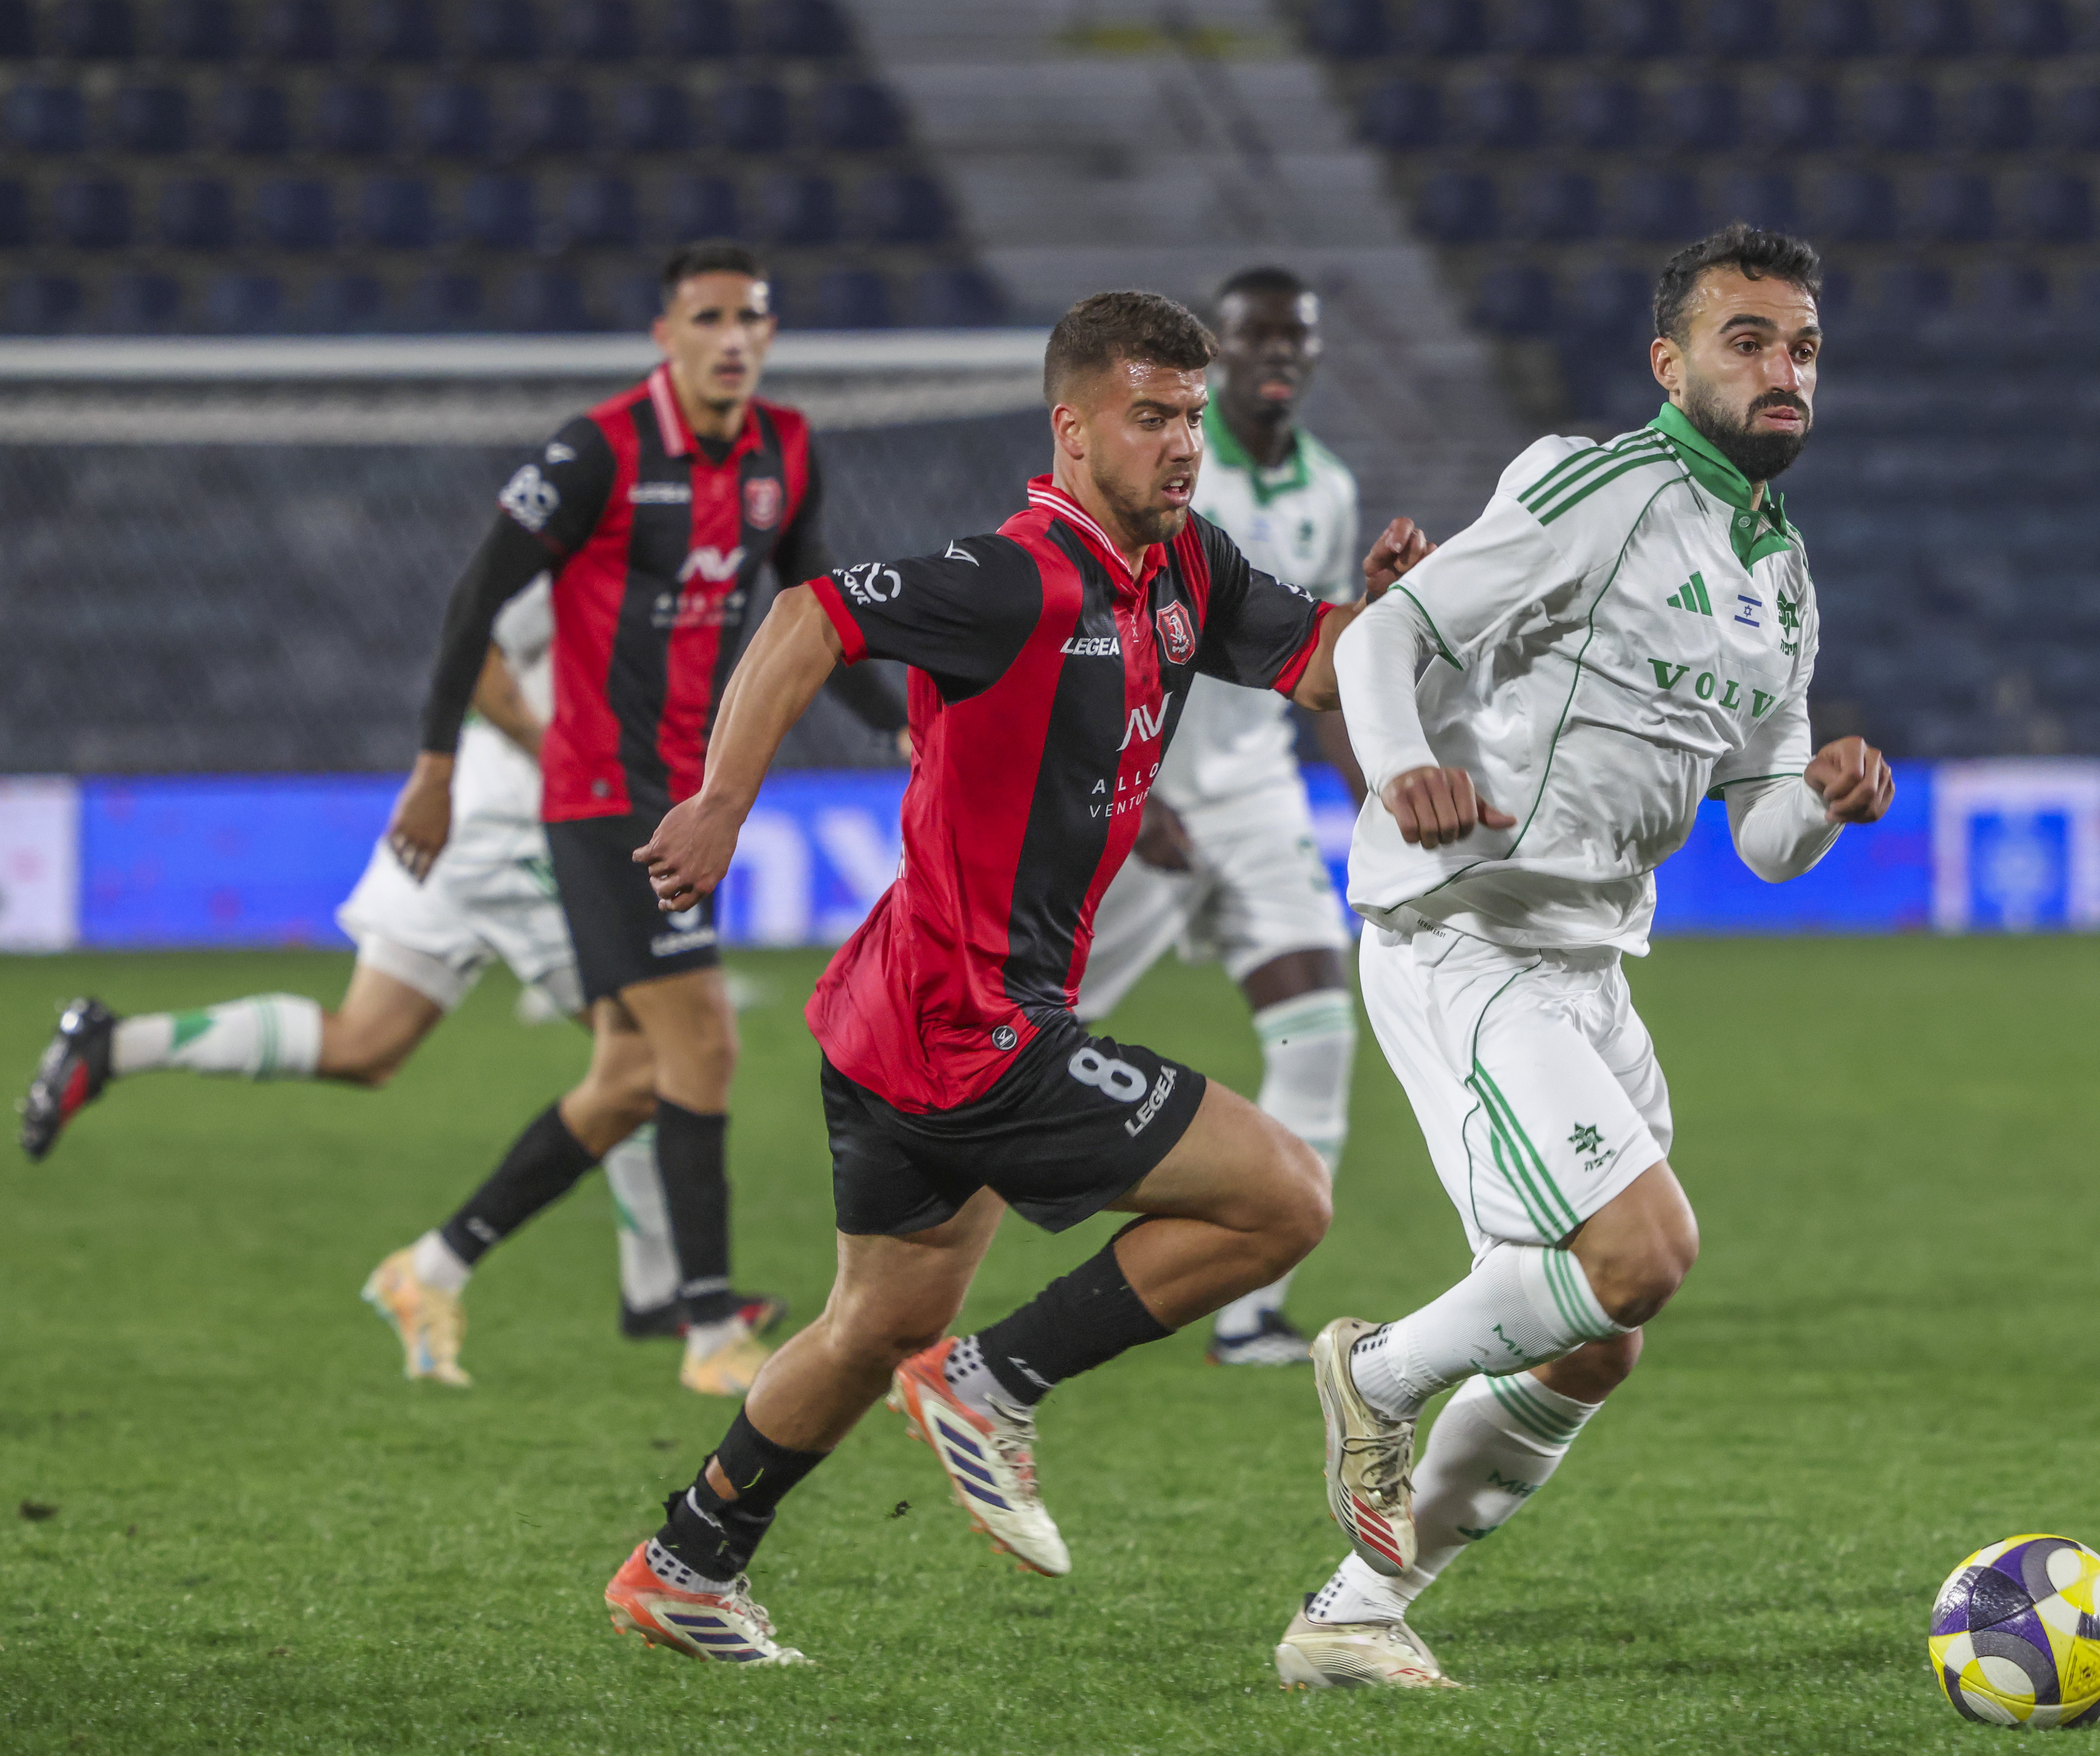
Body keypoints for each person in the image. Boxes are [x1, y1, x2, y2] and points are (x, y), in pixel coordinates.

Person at [598, 289, 1431, 1667]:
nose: (1179, 447)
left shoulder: (1185, 571)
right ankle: (993, 1382)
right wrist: (721, 803)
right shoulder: (1015, 578)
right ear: (1073, 427)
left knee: (872, 1320)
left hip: (890, 1015)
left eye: (1192, 420)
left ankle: (688, 1559)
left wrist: (1388, 621)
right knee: (1283, 1196)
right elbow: (808, 615)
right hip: (963, 1027)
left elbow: (1326, 661)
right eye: (1149, 419)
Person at [1275, 225, 1896, 1689]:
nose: (1782, 367)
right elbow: (1380, 644)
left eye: (1801, 344)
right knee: (1640, 1252)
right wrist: (1399, 770)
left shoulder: (1780, 573)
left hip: (1591, 961)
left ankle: (1355, 1611)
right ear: (1668, 361)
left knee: (1594, 1339)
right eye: (1746, 338)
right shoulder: (1594, 484)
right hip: (1465, 932)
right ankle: (1372, 1371)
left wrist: (1818, 802)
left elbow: (1757, 842)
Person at [15, 578, 787, 1382]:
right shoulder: (604, 533)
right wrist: (554, 745)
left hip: (474, 827)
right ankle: (603, 1288)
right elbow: (476, 641)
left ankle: (114, 1044)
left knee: (366, 1043)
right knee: (656, 1055)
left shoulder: (699, 532)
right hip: (524, 831)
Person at [380, 239, 902, 1398]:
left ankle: (431, 1265)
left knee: (628, 1073)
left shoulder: (786, 450)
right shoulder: (596, 450)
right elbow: (476, 596)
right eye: (708, 317)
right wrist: (434, 765)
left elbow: (814, 611)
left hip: (692, 791)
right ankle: (711, 1329)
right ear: (665, 335)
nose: (732, 339)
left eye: (751, 319)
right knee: (703, 1043)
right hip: (603, 794)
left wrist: (898, 723)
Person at [1075, 265, 1368, 1367]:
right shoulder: (1170, 470)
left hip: (1251, 798)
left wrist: (1376, 799)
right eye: (1258, 340)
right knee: (1022, 1045)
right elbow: (1101, 630)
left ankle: (1249, 1312)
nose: (1280, 355)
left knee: (1317, 1029)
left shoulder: (1330, 489)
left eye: (1297, 337)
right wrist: (1129, 783)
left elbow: (1324, 665)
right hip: (1133, 793)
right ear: (1222, 357)